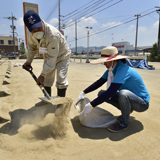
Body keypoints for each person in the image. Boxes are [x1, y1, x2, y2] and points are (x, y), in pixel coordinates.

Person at [78, 46, 150, 132]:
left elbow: (111, 91)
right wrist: (84, 92)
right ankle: (127, 110)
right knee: (101, 93)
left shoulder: (123, 69)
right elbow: (99, 82)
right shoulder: (112, 70)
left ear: (113, 60)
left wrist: (91, 105)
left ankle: (124, 123)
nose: (104, 64)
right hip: (132, 99)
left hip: (142, 103)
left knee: (123, 94)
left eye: (106, 61)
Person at [23, 10, 71, 97]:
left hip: (62, 56)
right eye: (34, 30)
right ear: (29, 29)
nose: (37, 32)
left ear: (41, 21)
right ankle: (47, 102)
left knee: (61, 78)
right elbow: (32, 48)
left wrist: (42, 75)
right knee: (47, 80)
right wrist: (28, 61)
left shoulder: (53, 34)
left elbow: (52, 57)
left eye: (39, 28)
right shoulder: (30, 34)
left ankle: (60, 104)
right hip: (48, 55)